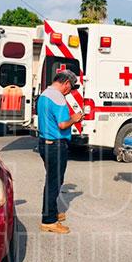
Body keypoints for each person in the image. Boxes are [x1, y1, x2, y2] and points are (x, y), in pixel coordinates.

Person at [37, 70, 83, 234]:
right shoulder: (58, 98)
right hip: (56, 145)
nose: (70, 91)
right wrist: (75, 118)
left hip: (44, 142)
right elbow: (63, 124)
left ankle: (51, 211)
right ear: (66, 83)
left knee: (51, 180)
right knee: (54, 183)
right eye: (71, 87)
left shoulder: (44, 94)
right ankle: (49, 221)